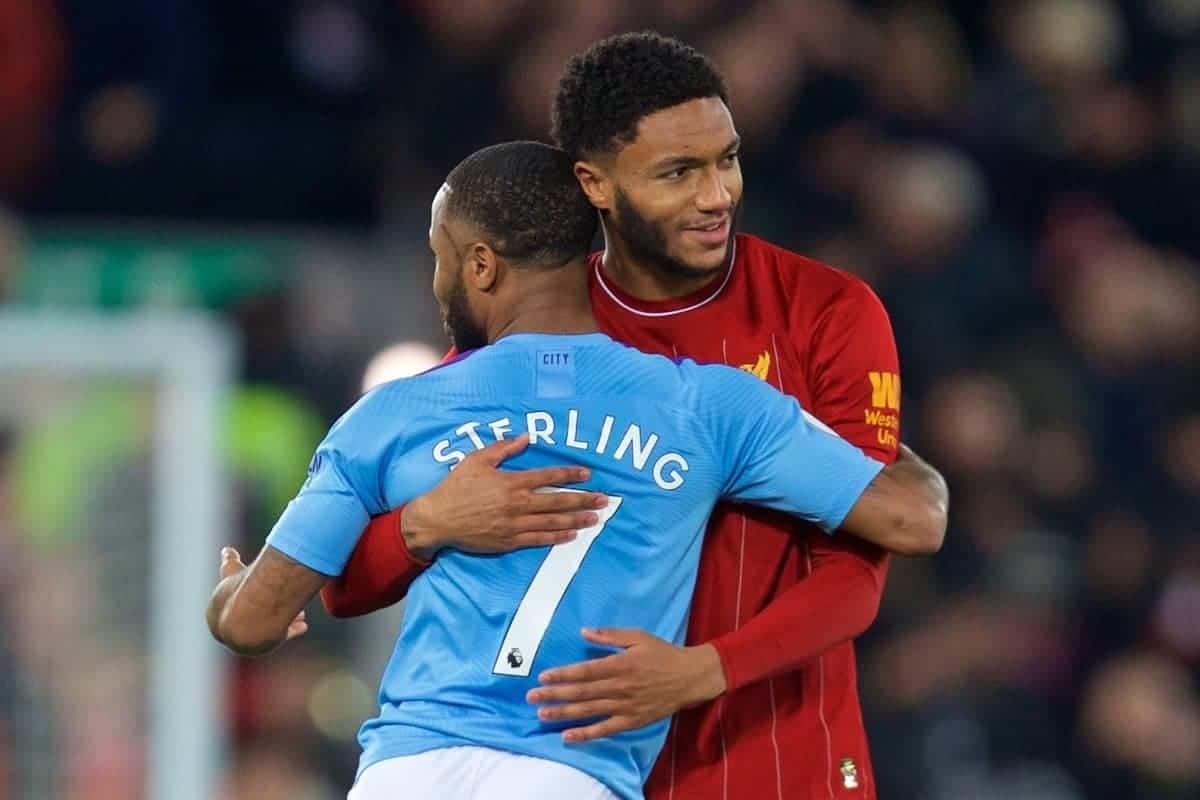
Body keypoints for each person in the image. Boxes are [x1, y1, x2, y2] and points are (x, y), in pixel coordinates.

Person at [207, 141, 944, 800]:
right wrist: (842, 421)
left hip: (407, 771)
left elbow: (249, 623)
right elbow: (910, 517)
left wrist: (239, 588)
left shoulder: (392, 413)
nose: (436, 284)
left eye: (440, 257)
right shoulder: (707, 406)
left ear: (482, 265)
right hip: (569, 772)